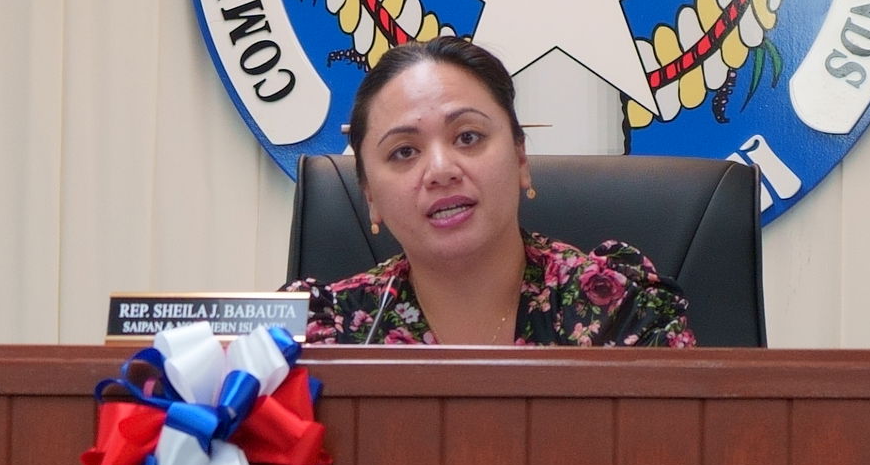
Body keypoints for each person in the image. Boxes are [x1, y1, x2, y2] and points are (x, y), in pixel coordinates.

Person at [287, 37, 695, 346]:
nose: (441, 170)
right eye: (404, 151)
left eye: (467, 137)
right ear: (370, 196)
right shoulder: (326, 332)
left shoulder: (618, 310)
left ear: (520, 157)